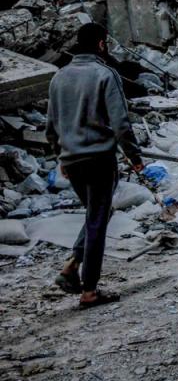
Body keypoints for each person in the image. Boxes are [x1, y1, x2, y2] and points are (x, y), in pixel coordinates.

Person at [46, 23, 144, 309]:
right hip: (100, 159)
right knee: (98, 221)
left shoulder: (59, 77)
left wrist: (61, 157)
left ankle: (72, 265)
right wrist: (135, 157)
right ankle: (89, 289)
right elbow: (121, 123)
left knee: (95, 215)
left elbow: (51, 126)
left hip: (73, 161)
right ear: (101, 44)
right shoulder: (105, 74)